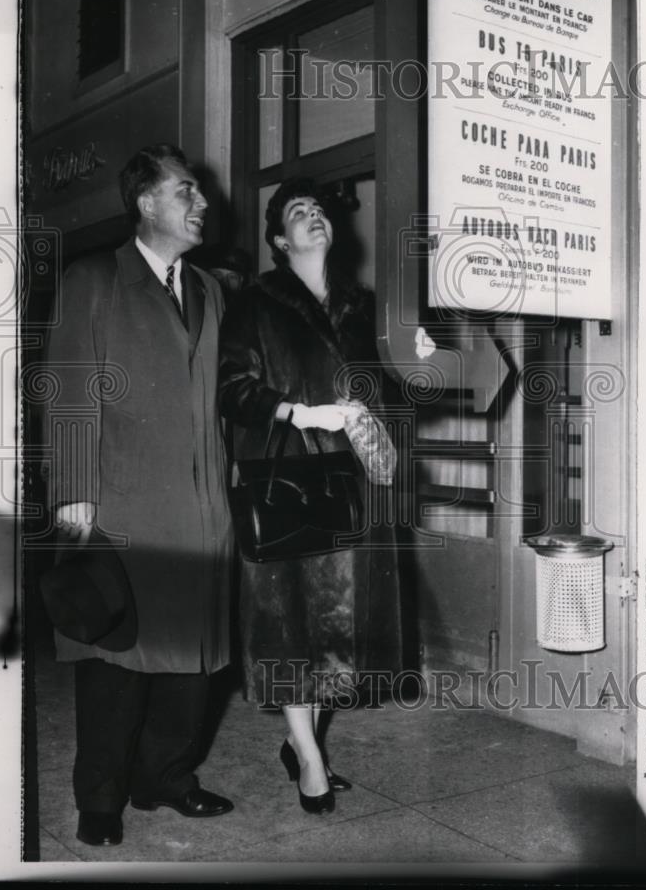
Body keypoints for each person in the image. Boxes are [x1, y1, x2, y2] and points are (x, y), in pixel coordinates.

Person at [42, 144, 234, 847]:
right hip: (123, 504)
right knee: (118, 661)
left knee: (195, 661)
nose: (201, 204)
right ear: (146, 202)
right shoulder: (95, 278)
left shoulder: (211, 290)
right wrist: (73, 493)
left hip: (204, 508)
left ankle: (167, 779)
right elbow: (67, 390)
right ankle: (101, 797)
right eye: (187, 192)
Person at [219, 177, 402, 815]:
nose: (314, 217)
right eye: (299, 212)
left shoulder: (364, 306)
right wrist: (299, 413)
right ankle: (312, 759)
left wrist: (411, 364)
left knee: (332, 629)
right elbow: (232, 390)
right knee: (286, 624)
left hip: (348, 484)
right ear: (278, 240)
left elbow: (388, 392)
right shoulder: (255, 302)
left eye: (319, 210)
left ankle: (303, 742)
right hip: (288, 479)